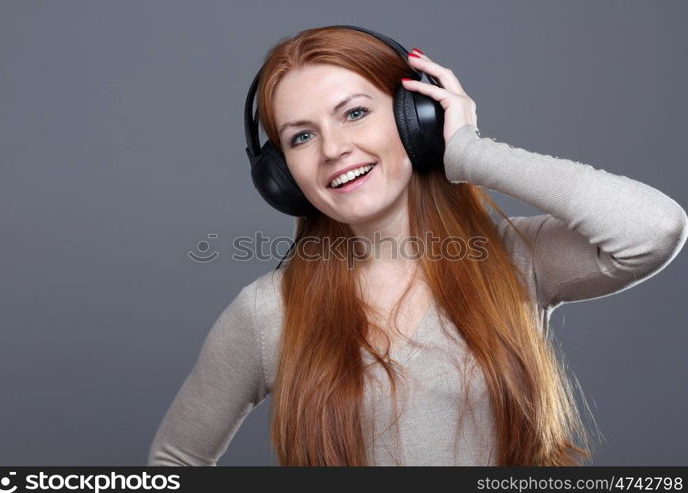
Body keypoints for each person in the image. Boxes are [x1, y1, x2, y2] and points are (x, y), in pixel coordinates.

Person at [147, 26, 687, 466]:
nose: (334, 148)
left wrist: (472, 152)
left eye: (355, 112)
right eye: (301, 137)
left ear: (416, 119)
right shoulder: (267, 313)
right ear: (281, 177)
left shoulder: (517, 256)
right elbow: (174, 461)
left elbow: (652, 230)